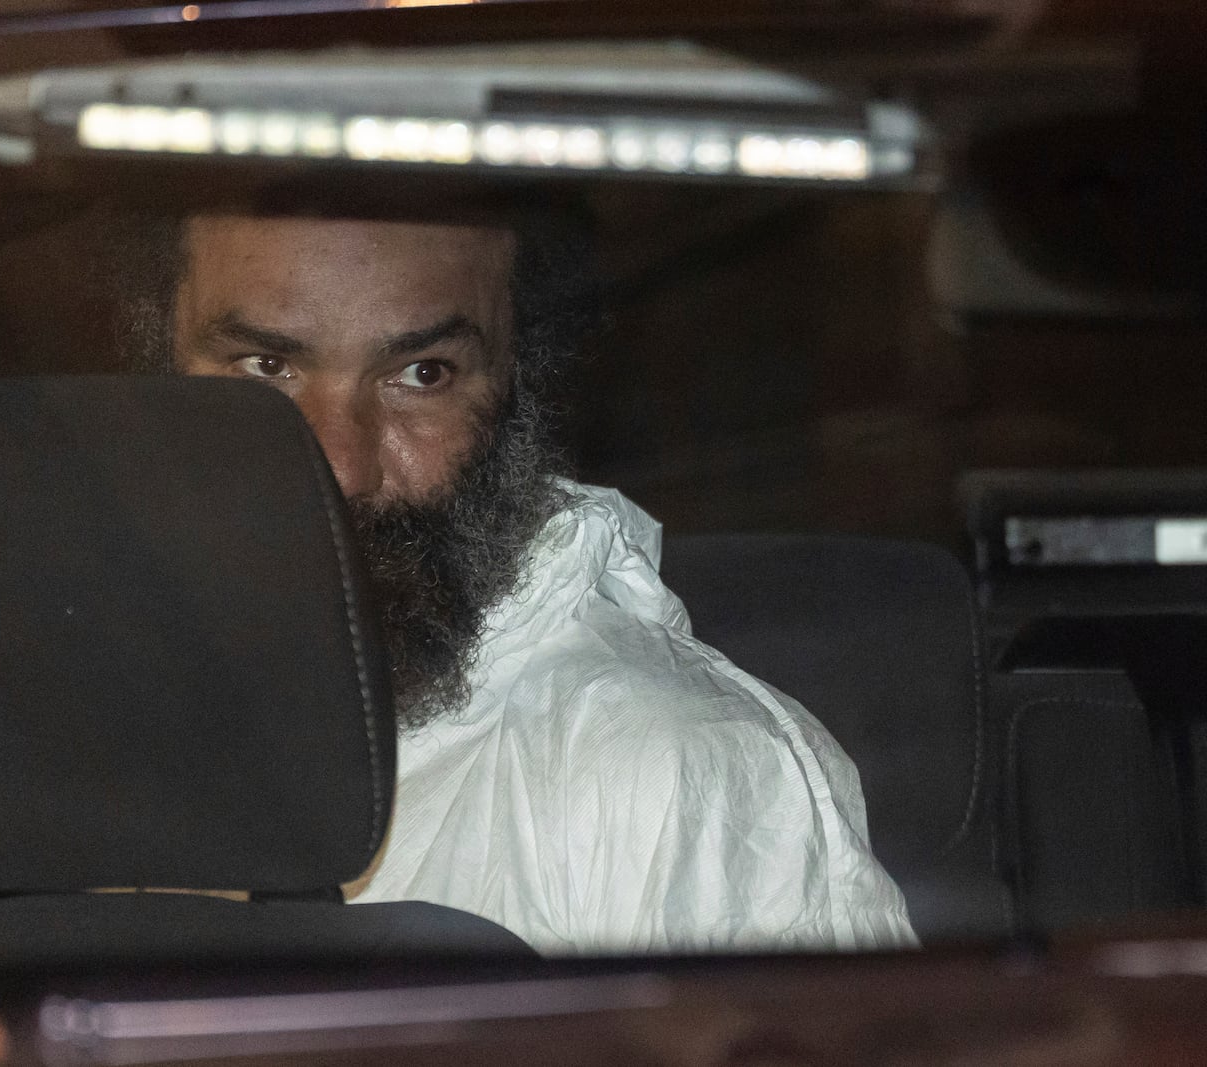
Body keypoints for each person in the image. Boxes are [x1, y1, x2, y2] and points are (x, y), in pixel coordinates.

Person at [116, 188, 916, 956]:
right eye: (266, 366)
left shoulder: (667, 774)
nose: (341, 466)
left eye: (421, 373)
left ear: (515, 392)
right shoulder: (43, 725)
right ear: (154, 369)